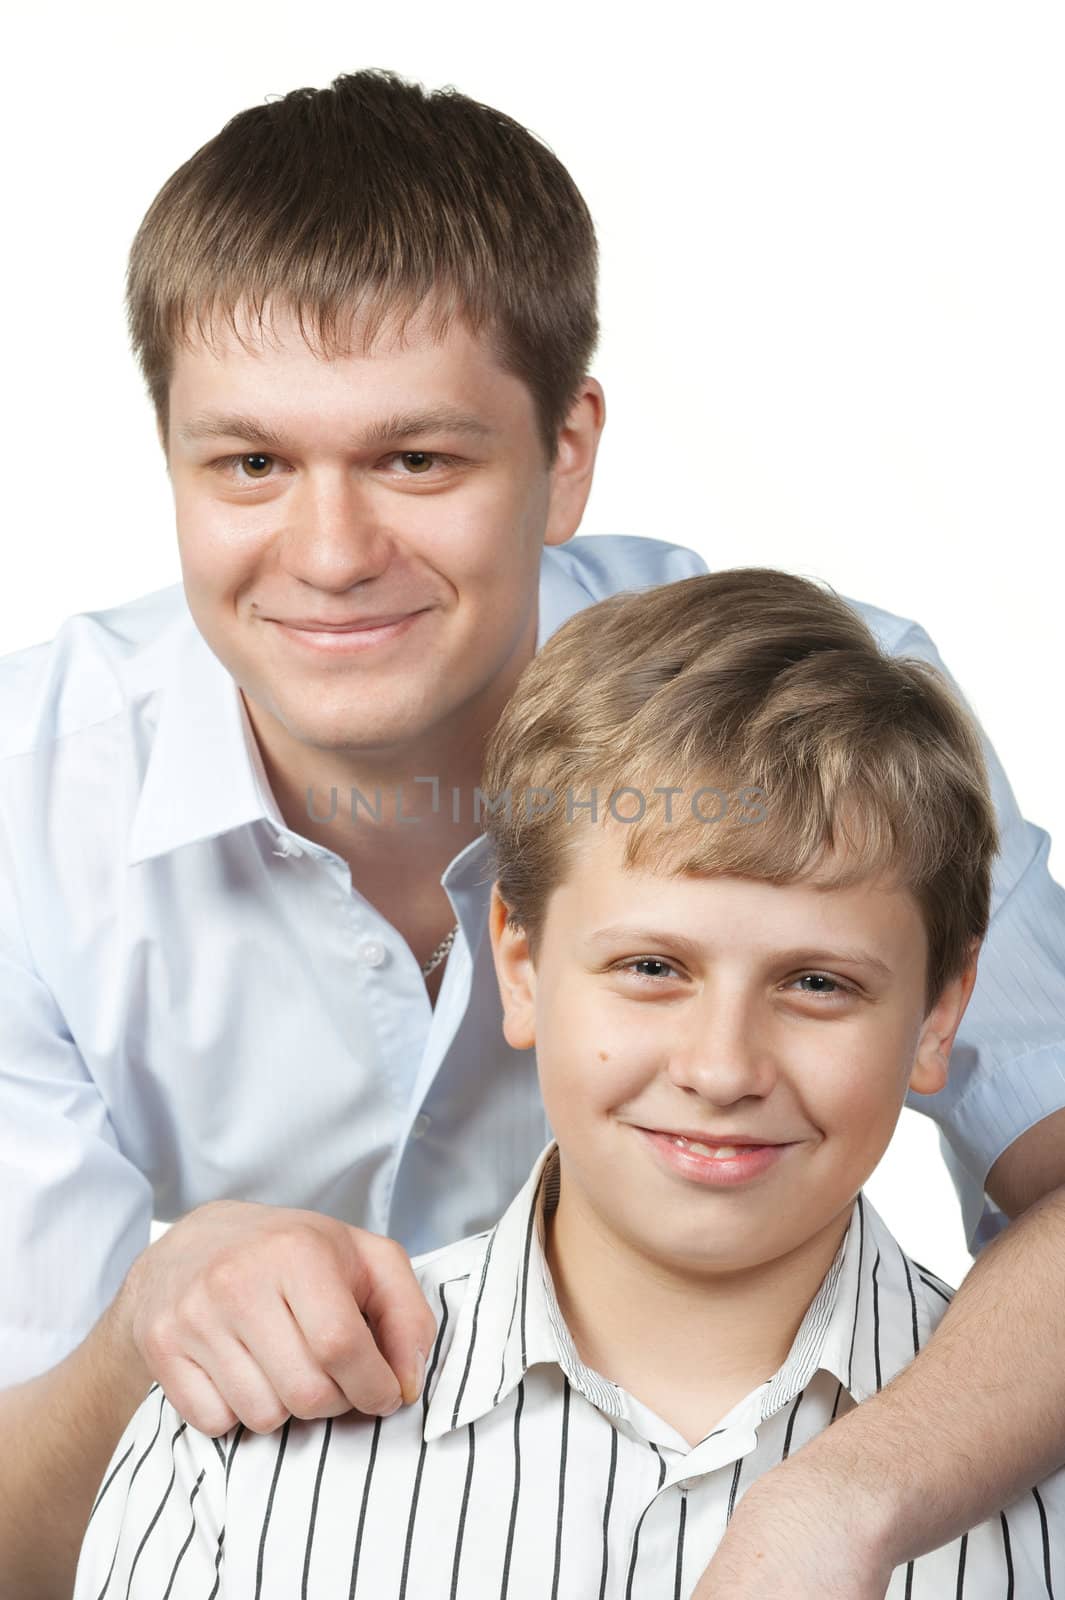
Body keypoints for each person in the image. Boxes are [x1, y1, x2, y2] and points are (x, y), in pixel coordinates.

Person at [2, 68, 1065, 1600]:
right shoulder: (25, 807)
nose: (330, 553)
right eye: (250, 462)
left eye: (415, 460)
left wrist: (848, 1501)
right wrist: (145, 1321)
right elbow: (24, 1542)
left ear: (565, 456)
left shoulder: (816, 726)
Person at [72, 568, 1065, 1597]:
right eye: (651, 968)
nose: (722, 1068)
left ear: (940, 1012)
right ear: (518, 964)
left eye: (817, 984)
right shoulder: (234, 1459)